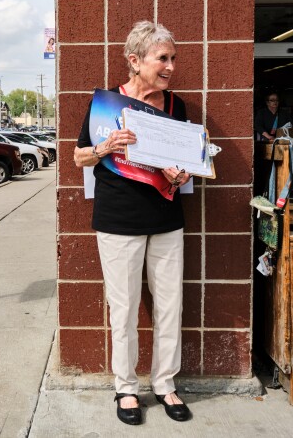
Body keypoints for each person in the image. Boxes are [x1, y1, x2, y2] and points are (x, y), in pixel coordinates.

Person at [74, 21, 192, 426]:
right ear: (135, 61)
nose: (171, 66)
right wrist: (106, 146)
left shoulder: (176, 106)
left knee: (170, 305)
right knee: (123, 309)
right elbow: (78, 159)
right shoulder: (106, 104)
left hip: (166, 218)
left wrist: (183, 174)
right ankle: (126, 388)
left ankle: (165, 383)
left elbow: (186, 161)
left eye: (173, 58)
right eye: (163, 58)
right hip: (118, 218)